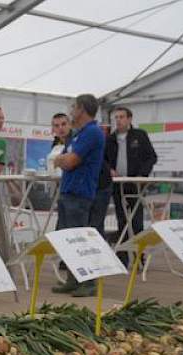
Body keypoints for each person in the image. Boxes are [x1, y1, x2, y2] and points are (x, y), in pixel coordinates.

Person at [52, 94, 106, 297]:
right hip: (68, 191)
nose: (71, 110)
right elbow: (63, 157)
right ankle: (73, 279)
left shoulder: (92, 133)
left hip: (80, 193)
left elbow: (70, 161)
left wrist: (61, 160)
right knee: (67, 240)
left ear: (82, 109)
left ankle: (89, 281)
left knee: (80, 240)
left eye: (74, 107)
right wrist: (62, 159)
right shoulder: (79, 133)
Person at [105, 106, 157, 265]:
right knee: (121, 220)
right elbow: (103, 160)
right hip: (118, 185)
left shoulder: (139, 135)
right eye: (116, 118)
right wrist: (110, 170)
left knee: (136, 221)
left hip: (135, 184)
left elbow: (151, 157)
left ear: (129, 119)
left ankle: (138, 257)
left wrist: (142, 175)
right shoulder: (110, 139)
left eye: (121, 117)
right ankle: (122, 257)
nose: (118, 120)